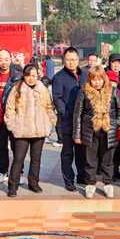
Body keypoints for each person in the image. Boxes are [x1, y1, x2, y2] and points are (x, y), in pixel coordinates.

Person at [4, 64, 57, 197]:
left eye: (33, 75)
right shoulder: (17, 89)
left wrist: (49, 122)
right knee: (18, 158)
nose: (31, 78)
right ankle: (13, 186)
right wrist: (13, 125)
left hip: (39, 130)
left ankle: (33, 183)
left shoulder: (42, 90)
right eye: (28, 75)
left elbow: (50, 107)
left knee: (36, 159)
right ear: (24, 75)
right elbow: (9, 109)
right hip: (22, 130)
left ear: (37, 75)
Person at [73, 66, 120, 199]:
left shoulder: (112, 91)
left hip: (108, 131)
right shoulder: (83, 92)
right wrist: (77, 134)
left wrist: (116, 123)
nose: (97, 82)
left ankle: (108, 184)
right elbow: (77, 114)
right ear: (89, 80)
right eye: (94, 80)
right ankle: (90, 184)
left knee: (108, 160)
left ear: (104, 79)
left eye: (100, 79)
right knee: (90, 160)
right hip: (90, 131)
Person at [52, 46, 87, 191]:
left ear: (78, 60)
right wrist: (65, 114)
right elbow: (57, 98)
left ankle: (82, 175)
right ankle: (68, 180)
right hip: (67, 121)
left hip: (83, 121)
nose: (71, 62)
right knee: (67, 152)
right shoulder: (59, 77)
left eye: (73, 59)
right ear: (64, 60)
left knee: (81, 151)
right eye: (68, 60)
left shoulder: (85, 75)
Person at [0, 49, 22, 185]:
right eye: (1, 59)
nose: (4, 62)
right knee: (1, 146)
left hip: (13, 117)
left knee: (16, 146)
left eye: (6, 59)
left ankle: (18, 173)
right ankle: (3, 172)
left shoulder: (18, 76)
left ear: (11, 59)